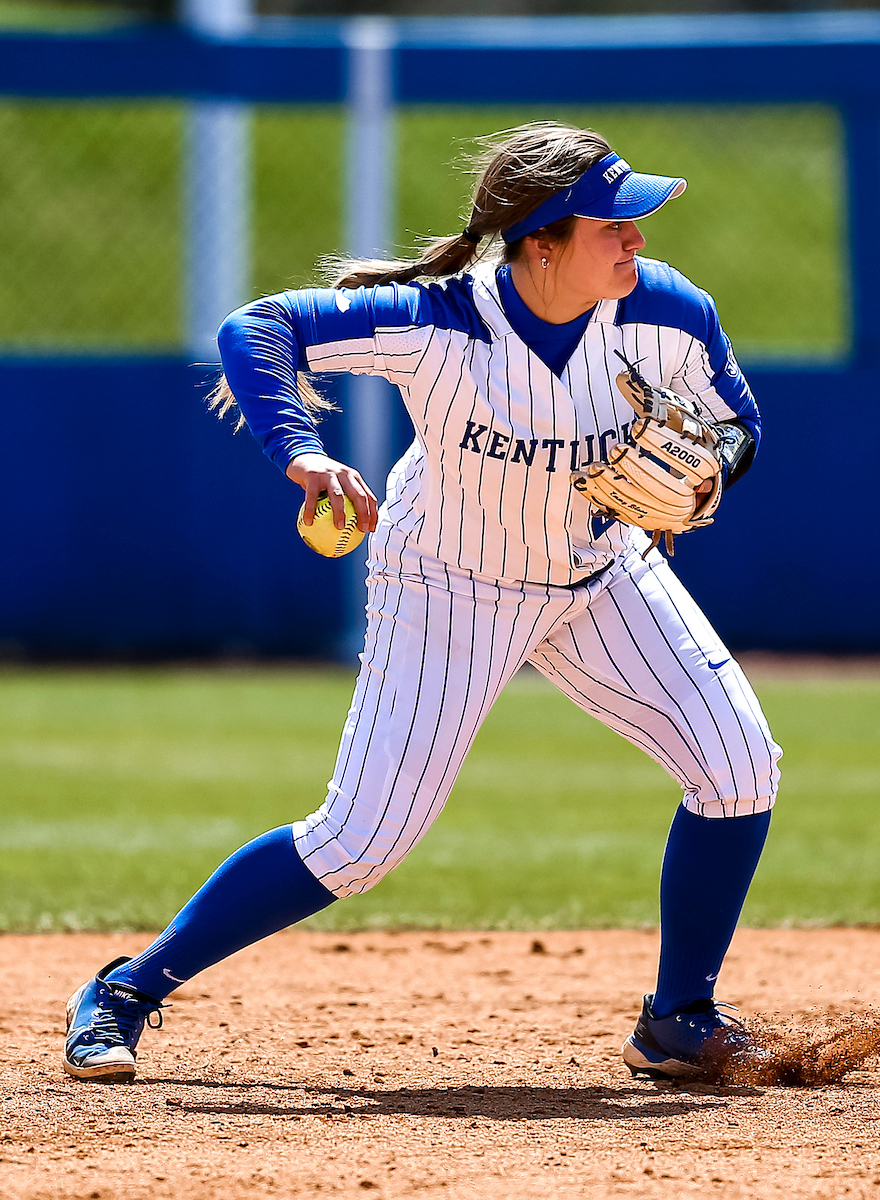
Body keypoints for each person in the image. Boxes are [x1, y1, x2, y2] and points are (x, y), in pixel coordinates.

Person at [63, 122, 781, 1084]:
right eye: (613, 224)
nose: (636, 239)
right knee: (361, 840)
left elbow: (740, 423)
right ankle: (125, 990)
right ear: (542, 241)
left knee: (738, 767)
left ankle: (678, 1015)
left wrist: (711, 475)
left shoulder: (668, 313)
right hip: (452, 585)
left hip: (604, 576)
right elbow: (257, 328)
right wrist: (303, 453)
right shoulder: (441, 322)